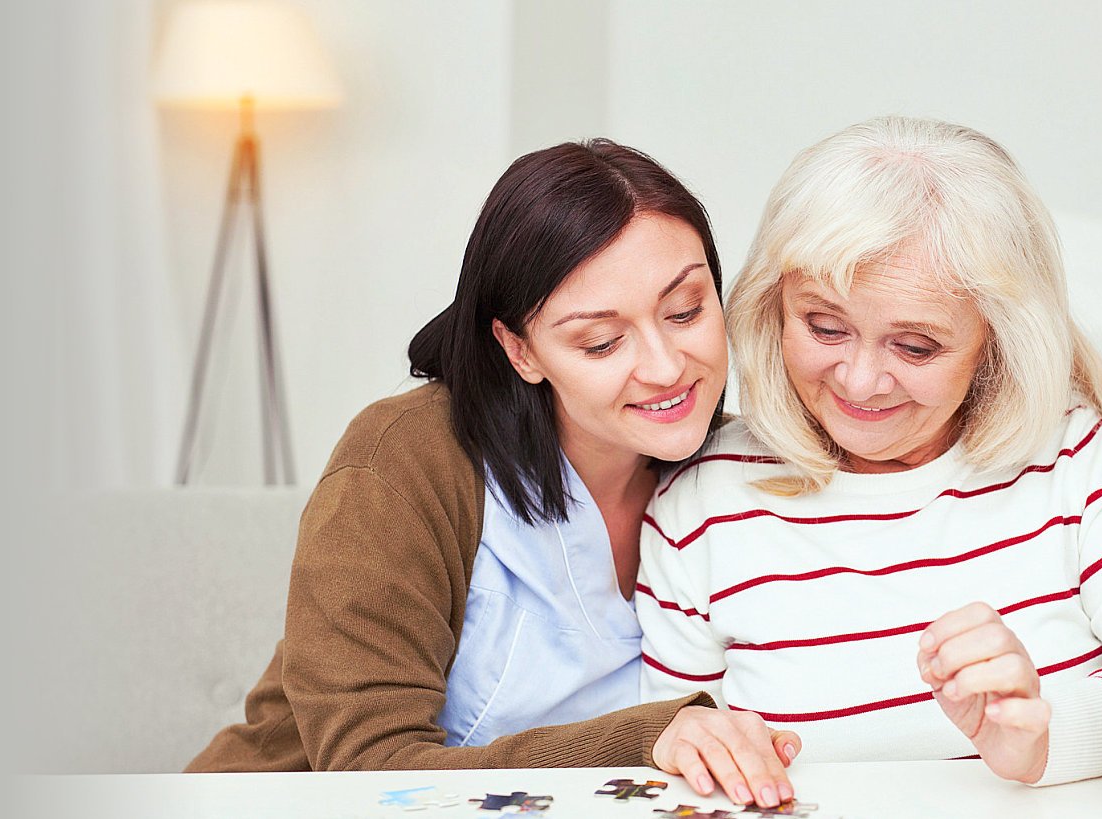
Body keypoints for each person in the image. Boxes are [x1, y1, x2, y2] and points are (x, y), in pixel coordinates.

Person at [635, 117, 1102, 787]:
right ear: (773, 307)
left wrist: (1047, 734)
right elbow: (665, 757)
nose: (859, 380)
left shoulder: (1077, 463)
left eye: (915, 345)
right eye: (825, 326)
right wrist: (684, 739)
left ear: (995, 344)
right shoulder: (702, 498)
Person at [189, 139, 801, 810]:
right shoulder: (407, 460)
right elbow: (371, 767)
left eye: (686, 310)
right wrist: (648, 737)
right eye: (601, 340)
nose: (664, 367)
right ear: (519, 348)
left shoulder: (736, 466)